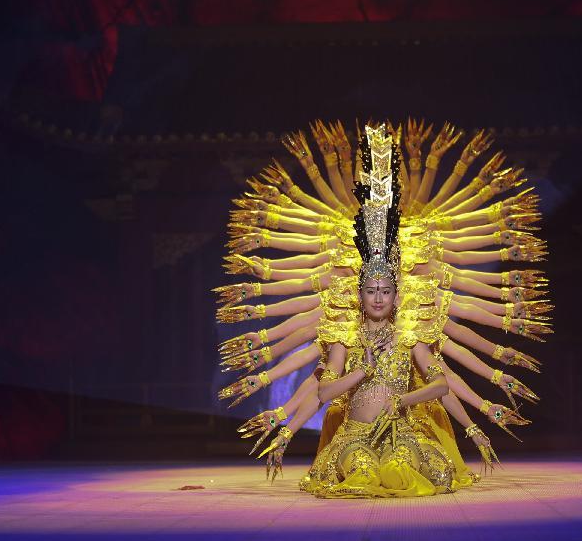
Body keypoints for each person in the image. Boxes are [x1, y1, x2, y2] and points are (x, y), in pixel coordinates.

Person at [215, 119, 553, 495]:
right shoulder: (344, 332)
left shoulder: (411, 330)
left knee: (414, 471)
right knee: (362, 472)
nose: (378, 298)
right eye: (371, 290)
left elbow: (442, 377)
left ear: (396, 294)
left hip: (401, 427)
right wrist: (288, 426)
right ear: (359, 294)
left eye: (385, 291)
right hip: (355, 431)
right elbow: (322, 390)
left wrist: (472, 423)